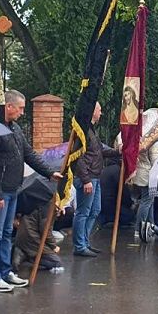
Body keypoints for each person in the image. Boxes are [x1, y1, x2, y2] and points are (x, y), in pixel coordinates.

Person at [0, 90, 59, 293]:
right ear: (9, 106)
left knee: (7, 233)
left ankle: (6, 271)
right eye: (21, 108)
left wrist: (50, 173)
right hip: (0, 193)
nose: (22, 112)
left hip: (14, 189)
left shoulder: (15, 129)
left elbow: (29, 154)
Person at [72, 103, 105, 257]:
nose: (101, 113)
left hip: (95, 176)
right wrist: (85, 180)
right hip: (87, 177)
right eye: (99, 110)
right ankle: (79, 246)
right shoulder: (83, 130)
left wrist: (119, 152)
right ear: (92, 111)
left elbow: (99, 151)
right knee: (83, 212)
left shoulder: (92, 130)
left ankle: (85, 241)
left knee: (95, 210)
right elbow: (77, 157)